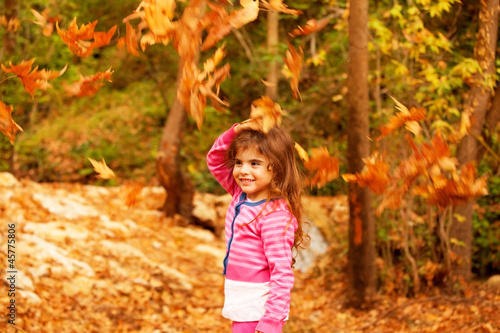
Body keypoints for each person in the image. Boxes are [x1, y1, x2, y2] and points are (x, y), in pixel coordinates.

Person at [206, 121, 308, 333]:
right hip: (241, 298)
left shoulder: (274, 216)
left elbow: (281, 272)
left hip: (257, 308)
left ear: (277, 168)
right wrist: (235, 131)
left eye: (255, 163)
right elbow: (214, 160)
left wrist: (271, 322)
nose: (244, 171)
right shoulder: (240, 193)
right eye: (239, 162)